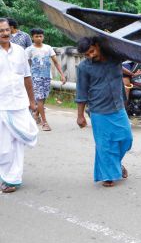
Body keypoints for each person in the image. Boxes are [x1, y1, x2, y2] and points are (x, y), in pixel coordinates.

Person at [75, 36, 133, 187]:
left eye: (92, 51)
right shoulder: (84, 67)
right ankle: (108, 175)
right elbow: (81, 92)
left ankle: (115, 165)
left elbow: (130, 48)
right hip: (98, 111)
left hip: (118, 107)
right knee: (105, 145)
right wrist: (80, 115)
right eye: (86, 54)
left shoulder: (115, 58)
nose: (90, 56)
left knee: (126, 139)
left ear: (98, 45)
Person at [0, 18, 38, 193]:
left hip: (20, 103)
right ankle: (6, 176)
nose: (5, 33)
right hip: (2, 105)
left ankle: (13, 177)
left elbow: (27, 76)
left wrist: (32, 101)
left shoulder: (20, 51)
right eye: (1, 31)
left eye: (7, 30)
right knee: (4, 144)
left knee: (18, 141)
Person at [25, 28, 66, 131]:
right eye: (36, 36)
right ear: (32, 37)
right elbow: (24, 64)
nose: (39, 38)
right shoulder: (29, 49)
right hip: (35, 77)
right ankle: (44, 122)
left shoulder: (48, 48)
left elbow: (56, 62)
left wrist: (62, 74)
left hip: (47, 76)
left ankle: (36, 115)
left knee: (43, 98)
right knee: (39, 98)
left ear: (43, 37)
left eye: (40, 36)